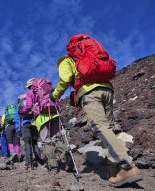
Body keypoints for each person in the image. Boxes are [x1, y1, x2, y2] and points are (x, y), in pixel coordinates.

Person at [49, 54, 142, 187]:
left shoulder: (66, 61)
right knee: (108, 129)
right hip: (107, 90)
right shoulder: (86, 57)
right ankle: (115, 172)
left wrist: (55, 95)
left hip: (90, 92)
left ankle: (127, 167)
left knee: (100, 128)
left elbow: (65, 78)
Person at [19, 78, 44, 171]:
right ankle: (39, 161)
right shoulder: (39, 93)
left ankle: (29, 164)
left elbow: (28, 106)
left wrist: (23, 111)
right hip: (35, 121)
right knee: (35, 142)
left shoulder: (28, 95)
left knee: (27, 143)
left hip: (26, 123)